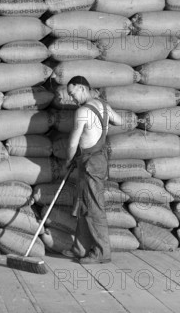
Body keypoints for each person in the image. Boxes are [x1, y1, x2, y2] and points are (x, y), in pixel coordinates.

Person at [60, 76, 124, 264]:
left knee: (94, 207)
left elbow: (73, 143)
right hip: (95, 160)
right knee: (84, 204)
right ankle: (80, 248)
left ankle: (101, 252)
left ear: (82, 88)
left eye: (73, 94)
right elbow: (119, 121)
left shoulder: (82, 112)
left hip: (90, 163)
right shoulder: (103, 105)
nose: (72, 99)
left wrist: (67, 161)